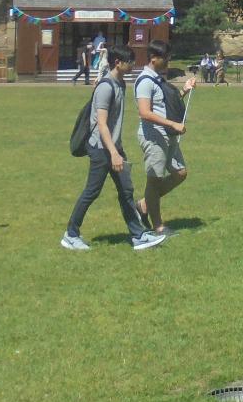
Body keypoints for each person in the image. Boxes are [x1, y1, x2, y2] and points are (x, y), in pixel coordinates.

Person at [61, 43, 166, 251]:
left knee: (126, 191)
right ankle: (71, 235)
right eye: (130, 62)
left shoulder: (121, 84)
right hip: (102, 149)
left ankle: (138, 235)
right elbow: (101, 124)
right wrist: (113, 153)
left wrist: (117, 150)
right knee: (92, 191)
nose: (133, 65)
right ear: (118, 63)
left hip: (114, 147)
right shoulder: (106, 87)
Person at [134, 43, 196, 237]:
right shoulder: (145, 81)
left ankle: (143, 205)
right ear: (153, 58)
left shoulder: (158, 79)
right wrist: (173, 124)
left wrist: (184, 90)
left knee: (180, 173)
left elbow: (164, 105)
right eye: (165, 58)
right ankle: (158, 227)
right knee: (154, 180)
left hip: (168, 135)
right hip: (154, 136)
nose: (168, 61)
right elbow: (144, 112)